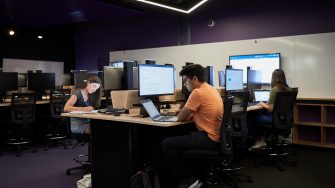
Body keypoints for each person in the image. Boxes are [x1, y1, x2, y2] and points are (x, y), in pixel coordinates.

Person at [161, 64, 223, 188]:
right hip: (216, 136)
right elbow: (196, 113)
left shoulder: (197, 92)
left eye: (186, 81)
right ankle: (194, 176)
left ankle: (188, 179)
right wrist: (185, 112)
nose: (185, 84)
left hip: (208, 138)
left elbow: (180, 118)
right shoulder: (210, 88)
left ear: (194, 79)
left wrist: (180, 112)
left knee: (167, 143)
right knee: (178, 138)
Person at [248, 69, 292, 150]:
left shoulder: (275, 89)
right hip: (285, 119)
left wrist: (262, 104)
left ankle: (260, 141)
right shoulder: (289, 89)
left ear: (274, 78)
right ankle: (265, 138)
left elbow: (271, 108)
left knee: (251, 117)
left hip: (274, 120)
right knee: (259, 115)